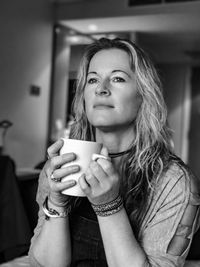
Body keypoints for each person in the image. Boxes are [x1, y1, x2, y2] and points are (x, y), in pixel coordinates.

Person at [29, 37, 200, 267]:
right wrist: (57, 204)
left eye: (117, 78)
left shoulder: (174, 181)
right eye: (92, 80)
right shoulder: (59, 166)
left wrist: (109, 206)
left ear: (143, 95)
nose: (101, 89)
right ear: (84, 96)